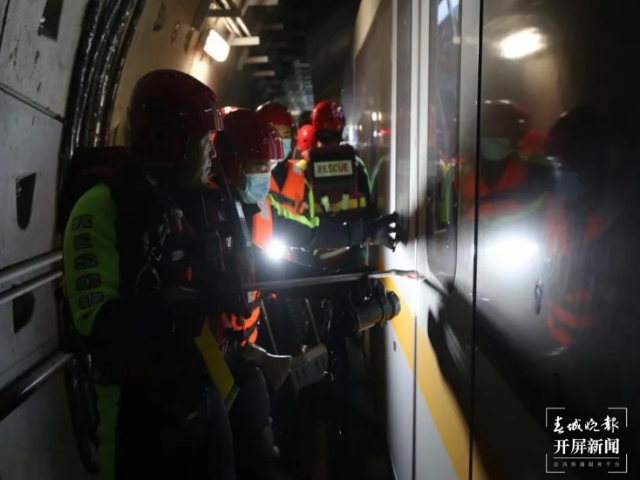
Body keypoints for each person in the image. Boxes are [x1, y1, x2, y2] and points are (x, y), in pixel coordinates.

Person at [60, 70, 235, 480]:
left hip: (203, 396)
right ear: (170, 141)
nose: (212, 154)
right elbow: (97, 325)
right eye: (203, 142)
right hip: (139, 420)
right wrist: (179, 308)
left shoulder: (188, 204)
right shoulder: (101, 207)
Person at [211, 108, 398, 478]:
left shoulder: (249, 207)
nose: (265, 175)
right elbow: (262, 268)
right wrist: (327, 282)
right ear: (231, 162)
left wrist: (365, 234)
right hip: (220, 360)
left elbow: (307, 232)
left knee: (266, 442)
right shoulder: (210, 215)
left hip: (246, 349)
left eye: (268, 167)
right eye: (258, 167)